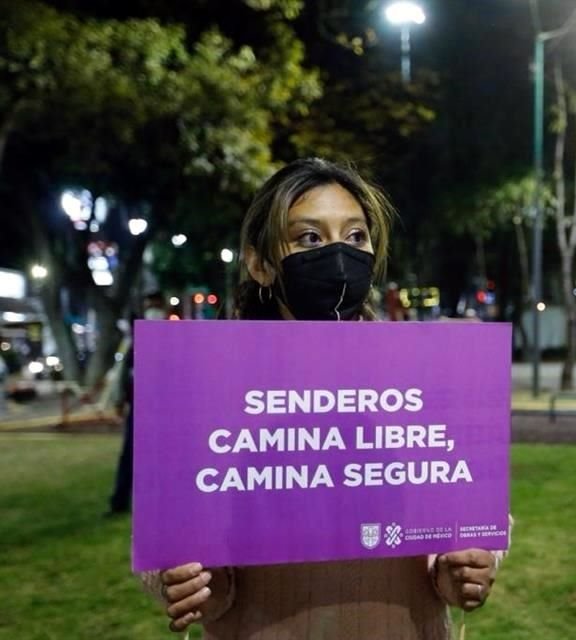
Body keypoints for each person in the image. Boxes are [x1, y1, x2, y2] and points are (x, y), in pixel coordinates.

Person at [141, 158, 509, 639]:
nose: (338, 254)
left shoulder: (425, 374)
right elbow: (179, 536)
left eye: (356, 236)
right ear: (260, 263)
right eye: (310, 238)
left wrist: (469, 564)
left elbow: (462, 505)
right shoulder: (210, 386)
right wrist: (180, 578)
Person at [106, 291, 167, 516]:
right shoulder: (135, 342)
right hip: (139, 408)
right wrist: (120, 399)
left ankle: (158, 505)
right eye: (149, 305)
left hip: (164, 409)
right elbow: (125, 374)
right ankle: (119, 502)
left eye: (156, 305)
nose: (153, 310)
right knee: (129, 455)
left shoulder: (170, 340)